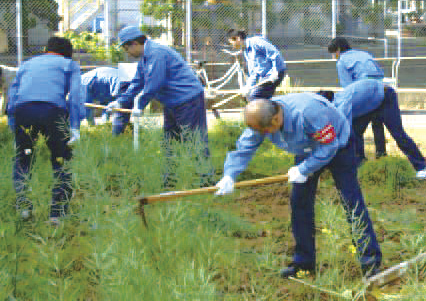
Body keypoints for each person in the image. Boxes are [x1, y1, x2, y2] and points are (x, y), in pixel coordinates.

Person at [215, 95, 382, 279]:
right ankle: (304, 263)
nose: (264, 135)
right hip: (306, 149)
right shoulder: (262, 117)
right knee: (299, 203)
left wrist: (304, 169)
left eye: (266, 131)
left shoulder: (308, 112)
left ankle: (369, 261)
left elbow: (329, 146)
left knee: (350, 200)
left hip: (337, 144)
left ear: (276, 119)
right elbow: (244, 147)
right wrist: (229, 175)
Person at [106, 26, 210, 188]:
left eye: (126, 48)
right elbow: (137, 82)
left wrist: (139, 105)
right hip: (171, 102)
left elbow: (155, 83)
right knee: (170, 141)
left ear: (134, 43)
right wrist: (121, 101)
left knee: (194, 139)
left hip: (188, 99)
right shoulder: (144, 58)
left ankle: (205, 180)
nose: (127, 53)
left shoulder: (156, 54)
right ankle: (170, 180)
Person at [7, 36, 84, 224]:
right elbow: (75, 96)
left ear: (46, 49)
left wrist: (13, 125)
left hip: (23, 113)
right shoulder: (69, 65)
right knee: (61, 159)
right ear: (68, 53)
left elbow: (13, 95)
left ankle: (24, 207)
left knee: (24, 158)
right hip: (52, 112)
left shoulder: (27, 64)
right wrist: (75, 126)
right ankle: (57, 213)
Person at [317, 79, 426, 180]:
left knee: (398, 134)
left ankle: (422, 167)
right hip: (369, 101)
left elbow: (342, 136)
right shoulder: (336, 100)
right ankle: (360, 165)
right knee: (356, 133)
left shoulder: (342, 106)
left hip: (385, 96)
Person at [327, 37, 387, 158]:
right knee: (377, 123)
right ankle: (381, 154)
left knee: (356, 127)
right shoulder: (364, 54)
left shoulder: (342, 61)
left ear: (338, 50)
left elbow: (348, 88)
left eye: (334, 53)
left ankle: (359, 156)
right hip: (380, 90)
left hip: (364, 93)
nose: (334, 56)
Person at [227, 29, 286, 100]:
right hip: (265, 77)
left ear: (238, 38)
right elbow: (253, 73)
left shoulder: (255, 42)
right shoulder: (246, 51)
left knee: (255, 97)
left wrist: (275, 72)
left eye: (232, 42)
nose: (232, 46)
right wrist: (248, 87)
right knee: (255, 97)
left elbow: (274, 53)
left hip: (275, 74)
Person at [81, 67, 132, 135]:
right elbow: (105, 106)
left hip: (119, 82)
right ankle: (122, 133)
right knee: (124, 110)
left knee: (120, 112)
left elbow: (87, 107)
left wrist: (91, 126)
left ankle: (116, 138)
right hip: (126, 80)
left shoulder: (82, 82)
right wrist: (104, 123)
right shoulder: (92, 80)